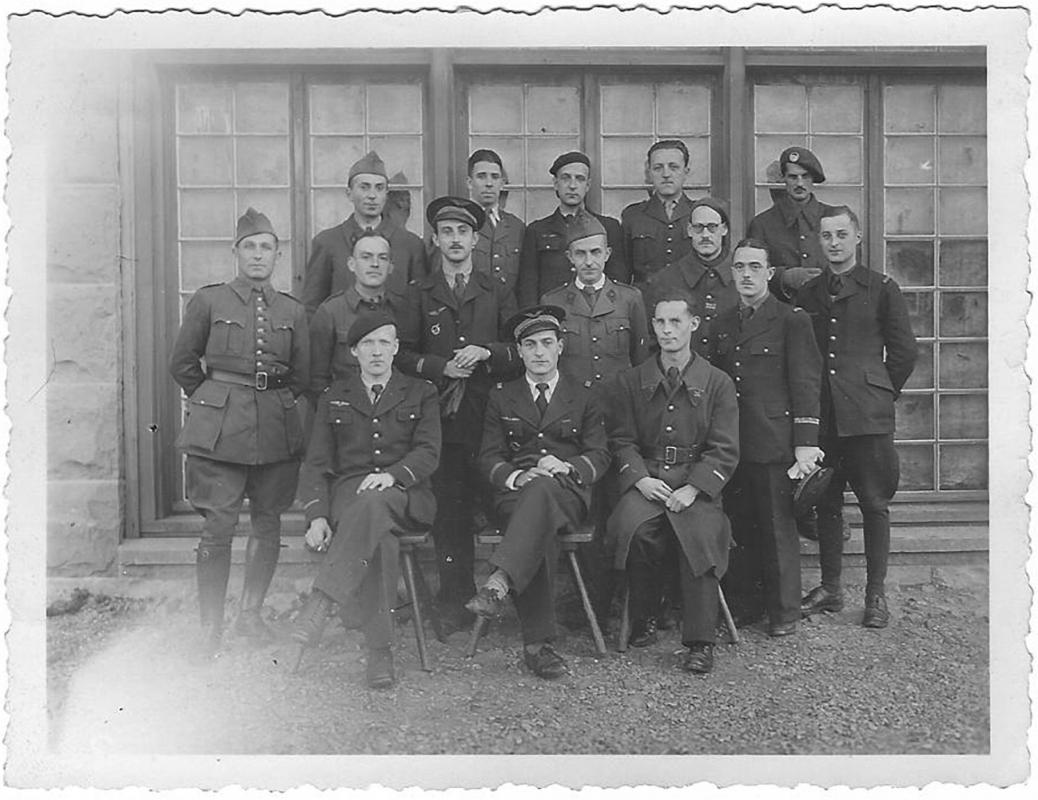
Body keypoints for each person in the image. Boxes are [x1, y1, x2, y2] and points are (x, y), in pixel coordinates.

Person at [169, 207, 309, 656]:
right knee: (219, 527)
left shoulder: (292, 309)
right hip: (220, 433)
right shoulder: (210, 301)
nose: (257, 255)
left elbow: (302, 377)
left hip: (274, 430)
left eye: (266, 247)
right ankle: (211, 629)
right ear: (235, 252)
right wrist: (214, 401)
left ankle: (250, 616)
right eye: (249, 246)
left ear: (277, 255)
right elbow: (183, 364)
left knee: (268, 524)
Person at [290, 312, 441, 689]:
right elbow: (317, 463)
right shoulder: (334, 396)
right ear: (354, 351)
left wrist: (392, 475)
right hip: (350, 498)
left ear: (396, 349)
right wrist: (316, 517)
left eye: (385, 343)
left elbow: (427, 452)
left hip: (405, 494)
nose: (377, 352)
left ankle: (322, 602)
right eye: (368, 344)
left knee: (377, 507)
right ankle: (380, 652)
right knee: (379, 535)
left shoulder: (421, 392)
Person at [396, 196, 522, 631]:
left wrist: (486, 351)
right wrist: (439, 366)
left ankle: (511, 596)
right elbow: (402, 355)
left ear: (475, 239)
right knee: (450, 511)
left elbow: (519, 351)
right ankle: (454, 602)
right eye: (446, 232)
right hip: (439, 419)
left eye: (462, 232)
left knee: (502, 503)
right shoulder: (420, 293)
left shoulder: (495, 289)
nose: (454, 240)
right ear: (435, 239)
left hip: (490, 417)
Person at [468, 305, 611, 679]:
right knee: (534, 513)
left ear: (561, 346)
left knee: (542, 496)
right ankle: (538, 647)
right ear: (519, 351)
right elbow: (488, 457)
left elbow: (600, 453)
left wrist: (566, 466)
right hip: (516, 493)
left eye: (547, 343)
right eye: (529, 345)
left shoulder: (584, 395)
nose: (539, 352)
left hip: (568, 491)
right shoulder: (502, 396)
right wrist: (517, 477)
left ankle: (499, 582)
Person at [795, 207, 917, 628]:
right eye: (826, 235)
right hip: (824, 417)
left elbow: (904, 353)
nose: (833, 243)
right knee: (826, 502)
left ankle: (875, 594)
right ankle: (830, 588)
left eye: (842, 234)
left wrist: (879, 393)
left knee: (873, 503)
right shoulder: (809, 294)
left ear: (858, 237)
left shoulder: (881, 288)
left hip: (867, 418)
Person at [607, 290, 739, 672]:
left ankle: (700, 641)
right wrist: (640, 480)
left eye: (676, 322)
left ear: (694, 325)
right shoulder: (633, 381)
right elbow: (621, 440)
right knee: (635, 530)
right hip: (649, 481)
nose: (667, 331)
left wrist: (694, 488)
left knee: (698, 536)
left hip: (694, 484)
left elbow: (725, 448)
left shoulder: (717, 383)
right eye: (660, 322)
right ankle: (645, 615)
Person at [710, 239, 823, 636]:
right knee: (741, 526)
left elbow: (806, 381)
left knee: (777, 528)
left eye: (754, 267)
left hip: (774, 439)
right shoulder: (722, 323)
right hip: (733, 441)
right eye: (739, 267)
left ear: (769, 274)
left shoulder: (792, 319)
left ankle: (785, 611)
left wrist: (805, 442)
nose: (745, 274)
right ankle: (748, 605)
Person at [540, 212, 650, 620]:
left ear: (607, 254)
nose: (588, 261)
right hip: (575, 427)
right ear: (569, 258)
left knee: (620, 509)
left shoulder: (630, 300)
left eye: (595, 253)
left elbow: (641, 364)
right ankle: (588, 602)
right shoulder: (553, 302)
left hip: (620, 423)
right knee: (583, 509)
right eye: (580, 254)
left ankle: (623, 600)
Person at [301, 151, 427, 314]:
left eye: (379, 188)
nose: (372, 196)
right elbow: (312, 308)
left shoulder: (410, 245)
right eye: (364, 187)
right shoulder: (327, 243)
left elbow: (421, 306)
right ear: (349, 194)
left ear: (386, 195)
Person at [517, 151, 626, 307]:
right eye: (566, 178)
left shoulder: (609, 227)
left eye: (579, 179)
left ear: (587, 185)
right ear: (556, 183)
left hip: (597, 316)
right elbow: (528, 287)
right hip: (553, 315)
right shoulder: (537, 231)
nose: (572, 185)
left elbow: (618, 281)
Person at [308, 230, 405, 395]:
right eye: (366, 257)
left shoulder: (403, 309)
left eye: (382, 258)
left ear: (390, 267)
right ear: (351, 264)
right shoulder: (331, 312)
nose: (375, 264)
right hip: (344, 410)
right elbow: (317, 378)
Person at [644, 196, 738, 358]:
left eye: (712, 227)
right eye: (698, 228)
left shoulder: (741, 276)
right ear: (689, 230)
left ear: (724, 229)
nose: (705, 235)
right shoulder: (666, 280)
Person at [746, 146, 838, 301]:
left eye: (805, 176)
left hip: (828, 312)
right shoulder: (762, 224)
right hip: (781, 313)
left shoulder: (833, 218)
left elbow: (850, 267)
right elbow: (750, 272)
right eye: (793, 177)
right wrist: (783, 277)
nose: (799, 183)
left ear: (813, 179)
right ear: (784, 179)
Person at [620, 139, 698, 293]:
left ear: (686, 172)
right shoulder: (633, 216)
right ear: (649, 173)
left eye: (674, 167)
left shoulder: (699, 213)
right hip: (646, 303)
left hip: (690, 303)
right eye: (658, 168)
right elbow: (624, 272)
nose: (666, 174)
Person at [466, 148, 526, 299]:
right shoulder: (459, 225)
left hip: (509, 313)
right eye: (481, 176)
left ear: (502, 183)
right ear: (469, 182)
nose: (488, 183)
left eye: (494, 177)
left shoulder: (516, 227)